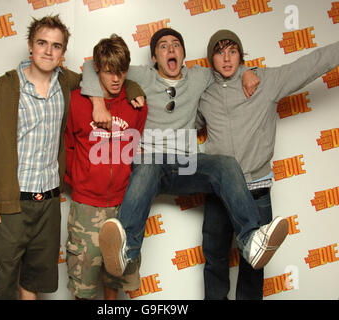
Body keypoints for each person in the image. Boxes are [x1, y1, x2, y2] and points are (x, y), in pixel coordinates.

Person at [81, 28, 289, 279]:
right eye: (163, 46)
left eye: (176, 45)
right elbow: (93, 65)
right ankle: (126, 250)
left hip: (187, 165)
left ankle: (251, 241)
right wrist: (98, 103)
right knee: (147, 162)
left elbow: (228, 68)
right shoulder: (141, 75)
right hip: (153, 166)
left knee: (226, 164)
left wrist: (248, 72)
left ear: (183, 54)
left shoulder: (199, 76)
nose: (170, 50)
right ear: (154, 58)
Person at [0, 15, 144, 300]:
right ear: (30, 46)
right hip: (12, 201)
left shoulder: (67, 82)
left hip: (48, 202)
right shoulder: (6, 87)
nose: (49, 51)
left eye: (56, 46)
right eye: (42, 43)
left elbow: (98, 72)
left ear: (63, 52)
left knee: (33, 280)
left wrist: (132, 89)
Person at [199, 30, 339, 300]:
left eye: (232, 51)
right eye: (219, 52)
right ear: (210, 58)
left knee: (254, 264)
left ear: (241, 55)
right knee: (215, 260)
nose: (227, 59)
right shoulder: (204, 93)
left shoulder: (264, 81)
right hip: (219, 191)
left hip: (256, 190)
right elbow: (178, 112)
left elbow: (312, 64)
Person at [64, 34, 148, 300]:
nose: (115, 79)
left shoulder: (136, 104)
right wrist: (80, 181)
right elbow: (67, 146)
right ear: (97, 68)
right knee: (84, 285)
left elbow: (136, 147)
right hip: (87, 205)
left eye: (121, 72)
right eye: (109, 71)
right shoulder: (77, 100)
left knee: (114, 280)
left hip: (123, 205)